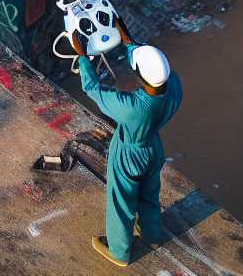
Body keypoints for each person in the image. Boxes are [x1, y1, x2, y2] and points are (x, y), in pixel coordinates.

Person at [74, 23, 183, 268]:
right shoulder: (174, 86)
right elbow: (152, 69)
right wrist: (129, 40)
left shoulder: (133, 107)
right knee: (149, 193)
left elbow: (92, 88)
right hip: (154, 149)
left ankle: (120, 252)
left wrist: (82, 56)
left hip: (129, 154)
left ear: (141, 77)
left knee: (120, 203)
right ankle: (152, 234)